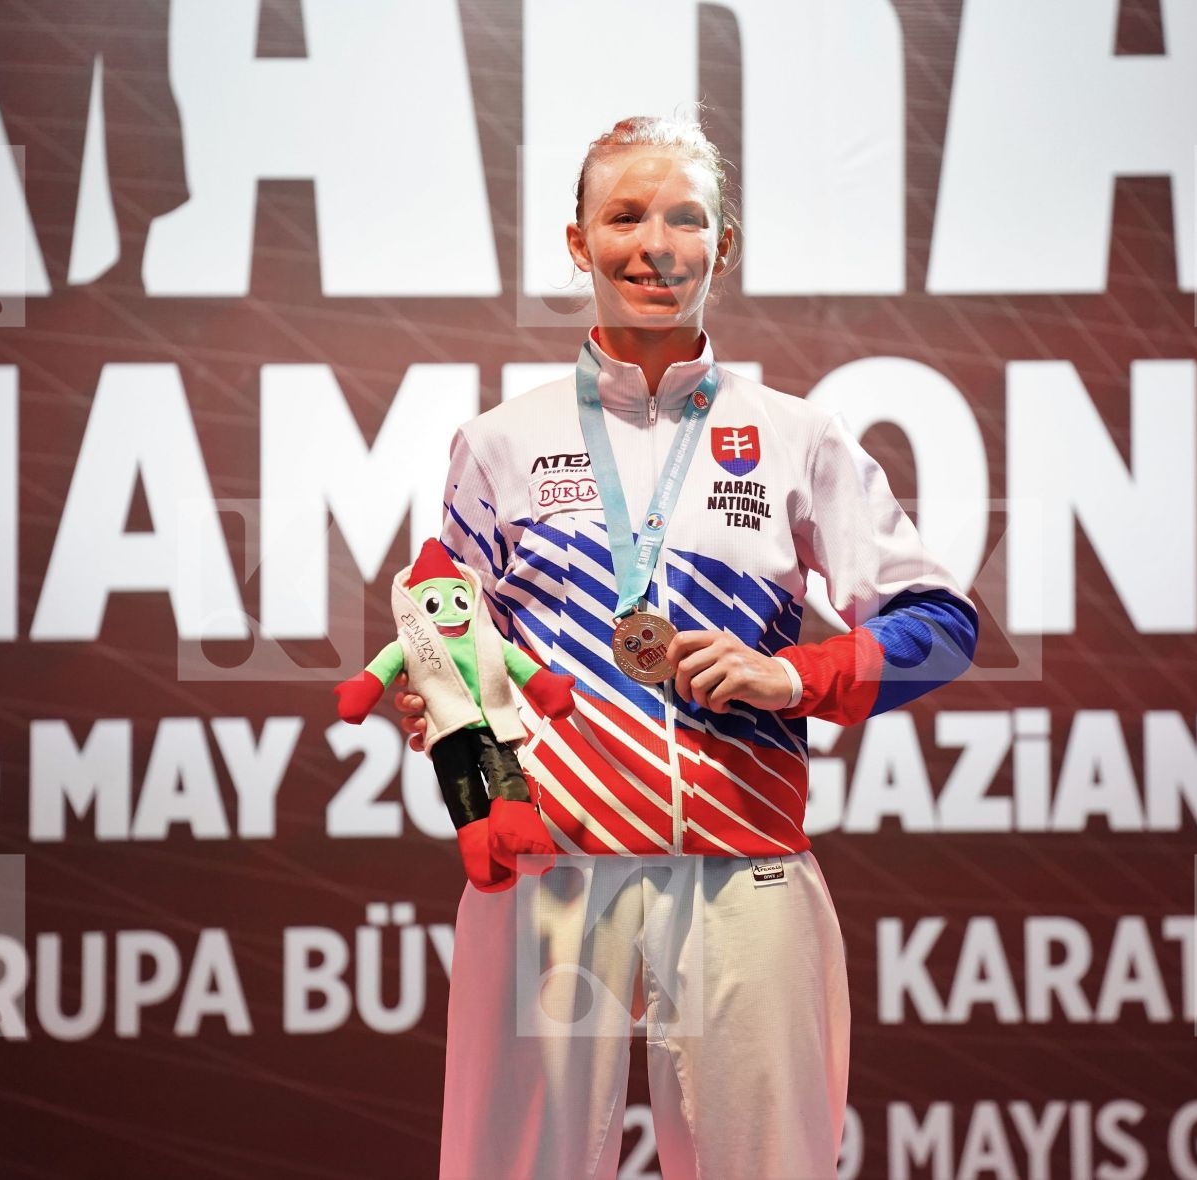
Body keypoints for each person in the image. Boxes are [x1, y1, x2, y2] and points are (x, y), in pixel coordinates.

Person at [394, 114, 978, 1179]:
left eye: (686, 218)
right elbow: (447, 648)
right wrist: (449, 716)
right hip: (552, 870)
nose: (655, 244)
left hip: (744, 870)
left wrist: (790, 674)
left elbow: (943, 627)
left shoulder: (798, 437)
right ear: (578, 243)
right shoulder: (500, 444)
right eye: (624, 216)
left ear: (723, 246)